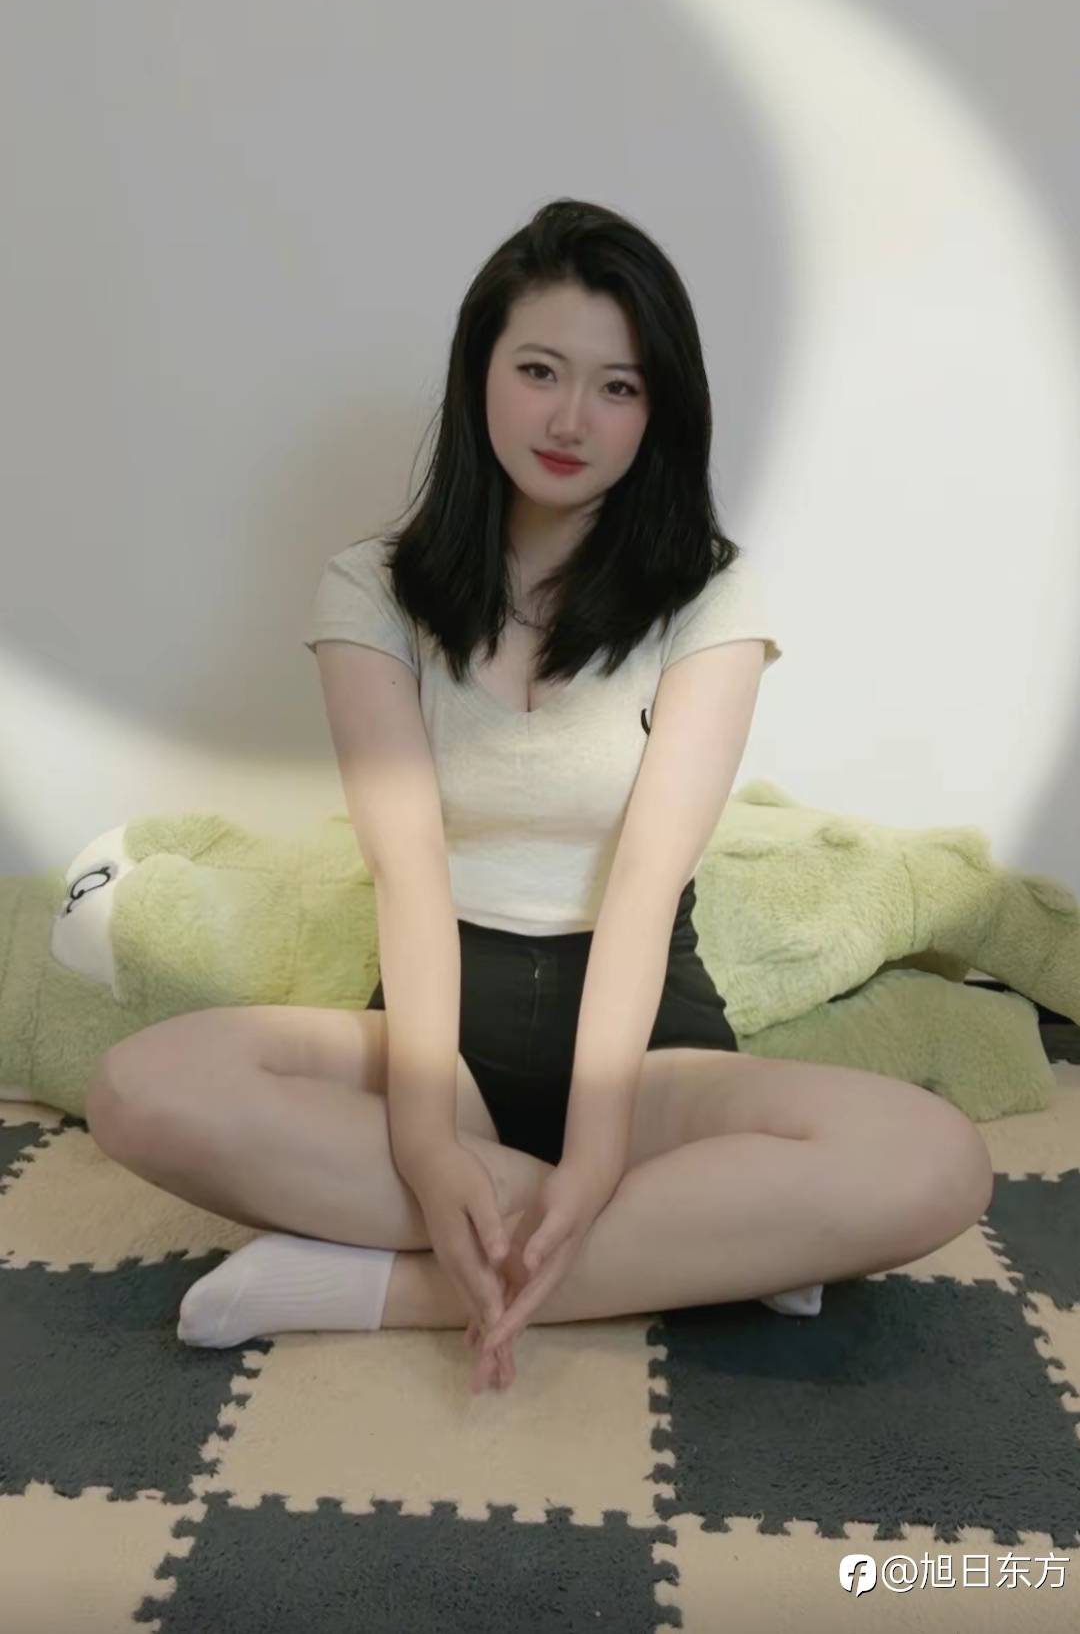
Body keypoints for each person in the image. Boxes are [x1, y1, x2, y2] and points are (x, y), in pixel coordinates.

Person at [83, 198, 994, 1394]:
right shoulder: (372, 589)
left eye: (618, 387)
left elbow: (646, 881)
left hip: (643, 1042)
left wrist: (599, 1154)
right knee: (137, 1087)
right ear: (481, 373)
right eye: (540, 370)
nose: (571, 419)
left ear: (658, 411)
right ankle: (709, 1250)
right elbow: (408, 869)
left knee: (934, 1159)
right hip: (435, 1033)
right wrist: (424, 1141)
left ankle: (375, 1285)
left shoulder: (710, 596)